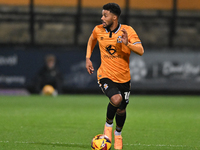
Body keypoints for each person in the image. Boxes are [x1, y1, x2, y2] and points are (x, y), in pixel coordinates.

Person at [85, 3, 144, 149]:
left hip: (124, 78)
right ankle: (108, 127)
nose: (102, 18)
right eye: (102, 15)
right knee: (116, 99)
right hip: (105, 75)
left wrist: (127, 43)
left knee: (121, 109)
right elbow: (91, 40)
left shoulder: (128, 31)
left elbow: (141, 50)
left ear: (114, 17)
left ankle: (118, 134)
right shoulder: (98, 30)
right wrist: (88, 58)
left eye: (105, 15)